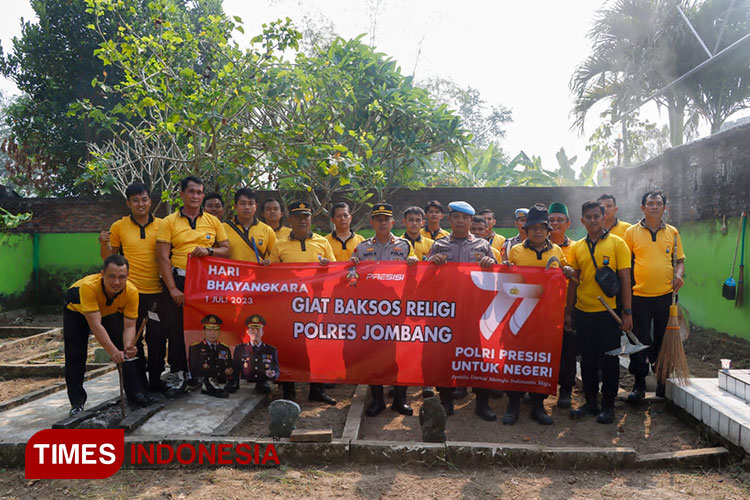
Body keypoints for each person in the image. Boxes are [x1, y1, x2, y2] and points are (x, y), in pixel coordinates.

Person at [99, 181, 175, 398]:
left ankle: (156, 380)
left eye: (144, 199)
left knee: (158, 338)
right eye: (135, 200)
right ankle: (139, 382)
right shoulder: (118, 227)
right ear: (128, 203)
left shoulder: (163, 225)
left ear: (150, 201)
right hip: (129, 294)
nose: (140, 204)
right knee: (133, 340)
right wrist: (103, 244)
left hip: (157, 293)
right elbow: (109, 260)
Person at [156, 176, 230, 392]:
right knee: (177, 328)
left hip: (206, 282)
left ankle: (202, 371)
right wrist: (172, 288)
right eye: (191, 192)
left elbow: (226, 250)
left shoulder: (213, 221)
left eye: (199, 192)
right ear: (182, 194)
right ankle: (178, 372)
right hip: (178, 279)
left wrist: (209, 251)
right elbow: (162, 257)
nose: (196, 196)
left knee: (206, 326)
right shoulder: (168, 222)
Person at [428, 201, 498, 421]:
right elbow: (425, 277)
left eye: (465, 217)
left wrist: (490, 263)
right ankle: (446, 400)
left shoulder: (483, 246)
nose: (460, 221)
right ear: (449, 220)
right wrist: (430, 263)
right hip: (447, 311)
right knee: (445, 355)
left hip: (476, 311)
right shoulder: (438, 246)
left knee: (479, 355)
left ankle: (482, 402)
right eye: (456, 217)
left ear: (471, 221)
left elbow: (496, 277)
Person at [566, 201, 633, 424]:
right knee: (587, 360)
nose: (593, 220)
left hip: (609, 313)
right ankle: (591, 403)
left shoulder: (618, 244)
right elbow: (574, 282)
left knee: (610, 360)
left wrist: (627, 312)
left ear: (604, 217)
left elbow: (625, 279)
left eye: (597, 216)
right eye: (588, 217)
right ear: (582, 220)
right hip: (583, 312)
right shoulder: (577, 247)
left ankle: (608, 406)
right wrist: (569, 312)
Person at [505, 204, 570, 426]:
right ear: (526, 229)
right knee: (516, 359)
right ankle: (513, 403)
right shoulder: (515, 251)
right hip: (520, 314)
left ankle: (538, 404)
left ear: (548, 230)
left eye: (542, 227)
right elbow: (507, 281)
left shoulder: (557, 252)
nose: (537, 232)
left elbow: (562, 277)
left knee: (541, 360)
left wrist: (567, 271)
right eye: (533, 228)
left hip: (546, 316)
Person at [351, 203, 418, 417]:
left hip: (398, 309)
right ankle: (378, 400)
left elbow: (416, 278)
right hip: (371, 310)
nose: (382, 222)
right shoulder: (361, 249)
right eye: (378, 218)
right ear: (372, 222)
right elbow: (351, 279)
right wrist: (351, 267)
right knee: (374, 354)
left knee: (401, 354)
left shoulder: (405, 246)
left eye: (385, 219)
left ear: (392, 223)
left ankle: (400, 400)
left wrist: (415, 264)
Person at [268, 201, 337, 405]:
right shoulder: (279, 245)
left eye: (306, 216)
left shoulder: (323, 242)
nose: (302, 220)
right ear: (290, 219)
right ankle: (289, 392)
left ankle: (317, 389)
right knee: (288, 347)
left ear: (311, 219)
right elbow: (270, 275)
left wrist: (328, 265)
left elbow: (335, 269)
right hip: (288, 306)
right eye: (298, 216)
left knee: (316, 346)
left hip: (315, 304)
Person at [624, 190, 686, 400]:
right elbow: (625, 265)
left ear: (664, 208)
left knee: (662, 340)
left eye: (658, 203)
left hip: (665, 297)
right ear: (643, 208)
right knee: (639, 341)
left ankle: (661, 382)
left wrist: (678, 275)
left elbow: (679, 261)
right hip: (638, 296)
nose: (654, 206)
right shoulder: (631, 233)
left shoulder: (673, 233)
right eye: (650, 203)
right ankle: (639, 385)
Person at [63, 255, 141, 415]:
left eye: (121, 277)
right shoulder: (88, 287)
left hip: (108, 311)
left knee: (127, 352)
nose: (116, 282)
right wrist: (113, 352)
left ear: (128, 277)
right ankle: (77, 403)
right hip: (76, 311)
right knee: (75, 355)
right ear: (102, 274)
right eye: (111, 276)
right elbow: (96, 326)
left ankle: (135, 395)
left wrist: (127, 346)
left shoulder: (132, 292)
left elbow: (130, 326)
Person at [548, 201, 577, 409]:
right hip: (543, 310)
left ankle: (565, 390)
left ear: (568, 223)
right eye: (551, 220)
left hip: (567, 308)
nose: (555, 223)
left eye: (560, 220)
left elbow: (579, 278)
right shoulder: (539, 244)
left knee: (567, 351)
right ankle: (537, 388)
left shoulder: (576, 248)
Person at [230, 314, 280, 394]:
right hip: (245, 382)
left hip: (262, 382)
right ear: (247, 332)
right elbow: (235, 368)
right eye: (252, 329)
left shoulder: (271, 350)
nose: (255, 332)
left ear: (262, 332)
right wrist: (234, 383)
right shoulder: (240, 349)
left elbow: (276, 369)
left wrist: (273, 374)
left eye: (258, 329)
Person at [224, 188, 276, 263]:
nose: (247, 207)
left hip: (257, 274)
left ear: (256, 207)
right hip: (231, 273)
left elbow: (277, 256)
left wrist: (268, 262)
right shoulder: (223, 228)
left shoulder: (267, 230)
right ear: (235, 206)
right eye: (242, 203)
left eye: (251, 204)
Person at [188, 314, 234, 398]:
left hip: (221, 382)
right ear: (204, 331)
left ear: (219, 331)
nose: (212, 333)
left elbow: (229, 366)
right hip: (204, 383)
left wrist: (229, 371)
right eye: (209, 330)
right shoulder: (196, 348)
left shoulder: (224, 348)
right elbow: (194, 369)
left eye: (215, 330)